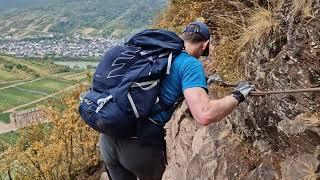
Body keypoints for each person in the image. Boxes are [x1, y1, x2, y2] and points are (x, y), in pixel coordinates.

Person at [99, 21, 254, 180]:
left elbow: (165, 84)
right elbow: (204, 114)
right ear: (205, 44)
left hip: (109, 136)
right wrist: (237, 96)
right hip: (139, 146)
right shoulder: (190, 64)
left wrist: (202, 82)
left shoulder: (161, 54)